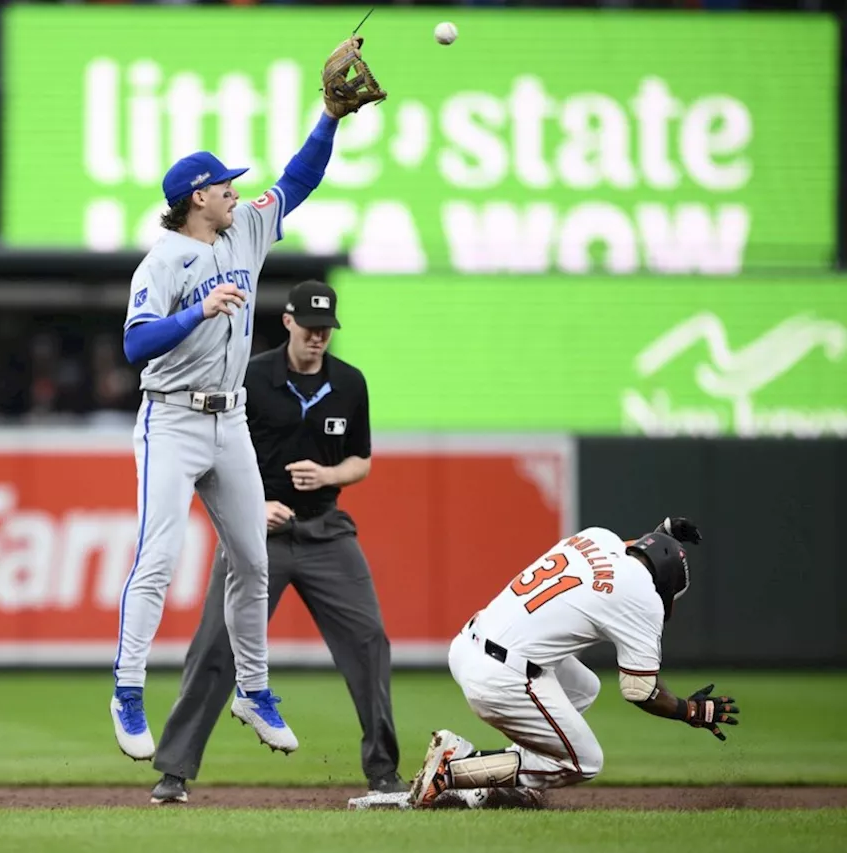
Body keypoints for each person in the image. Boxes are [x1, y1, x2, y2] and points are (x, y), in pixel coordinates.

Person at [110, 39, 373, 762]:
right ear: (198, 197)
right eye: (225, 186)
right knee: (157, 559)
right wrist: (198, 312)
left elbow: (298, 180)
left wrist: (329, 118)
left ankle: (254, 691)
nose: (236, 191)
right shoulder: (162, 261)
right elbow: (134, 347)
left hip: (228, 421)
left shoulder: (248, 229)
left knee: (253, 559)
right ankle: (128, 687)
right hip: (170, 416)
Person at [148, 280, 404, 805]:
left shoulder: (350, 383)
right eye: (309, 327)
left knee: (370, 642)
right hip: (255, 535)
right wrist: (251, 506)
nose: (317, 337)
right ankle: (174, 772)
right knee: (216, 648)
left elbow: (363, 460)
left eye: (325, 329)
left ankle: (383, 772)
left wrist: (331, 475)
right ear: (287, 321)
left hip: (326, 532)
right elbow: (208, 453)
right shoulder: (250, 377)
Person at [405, 518, 739, 810]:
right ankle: (453, 769)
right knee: (584, 762)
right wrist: (689, 711)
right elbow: (640, 690)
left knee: (584, 688)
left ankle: (516, 780)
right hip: (500, 677)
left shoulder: (598, 537)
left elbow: (636, 551)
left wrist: (661, 534)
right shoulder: (645, 599)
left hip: (468, 645)